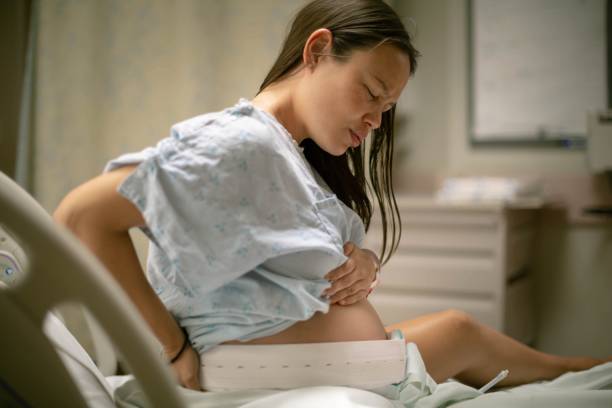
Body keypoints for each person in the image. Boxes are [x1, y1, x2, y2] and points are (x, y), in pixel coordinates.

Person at [53, 0, 610, 393]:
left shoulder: (289, 155)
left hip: (318, 358)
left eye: (385, 110)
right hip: (271, 370)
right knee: (471, 337)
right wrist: (171, 347)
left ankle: (586, 368)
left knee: (467, 334)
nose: (373, 120)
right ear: (318, 51)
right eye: (370, 93)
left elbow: (277, 250)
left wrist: (362, 262)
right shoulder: (244, 142)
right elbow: (82, 217)